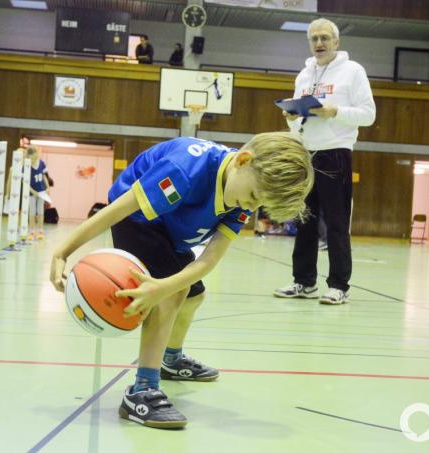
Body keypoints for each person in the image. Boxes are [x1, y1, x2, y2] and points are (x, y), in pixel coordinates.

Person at [50, 133, 313, 429]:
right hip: (137, 219)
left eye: (258, 204)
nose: (250, 207)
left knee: (192, 296)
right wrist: (63, 250)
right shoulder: (186, 168)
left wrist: (167, 285)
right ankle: (141, 392)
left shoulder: (244, 190)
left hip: (172, 229)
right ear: (243, 160)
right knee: (171, 295)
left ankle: (170, 360)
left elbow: (208, 260)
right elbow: (117, 210)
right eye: (253, 197)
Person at [273, 18, 376, 305]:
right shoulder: (304, 75)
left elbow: (368, 115)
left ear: (336, 42)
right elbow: (299, 118)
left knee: (336, 223)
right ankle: (304, 282)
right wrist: (293, 118)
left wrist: (336, 112)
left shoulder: (353, 71)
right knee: (304, 221)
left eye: (324, 38)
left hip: (335, 153)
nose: (319, 43)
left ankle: (339, 285)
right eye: (314, 39)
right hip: (306, 153)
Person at [26, 145, 48, 240]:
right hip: (32, 192)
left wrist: (48, 187)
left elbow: (44, 176)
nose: (37, 155)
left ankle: (40, 231)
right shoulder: (27, 165)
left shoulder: (42, 163)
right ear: (30, 155)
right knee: (32, 212)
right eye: (35, 153)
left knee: (40, 212)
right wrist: (32, 191)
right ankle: (31, 232)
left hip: (41, 191)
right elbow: (25, 182)